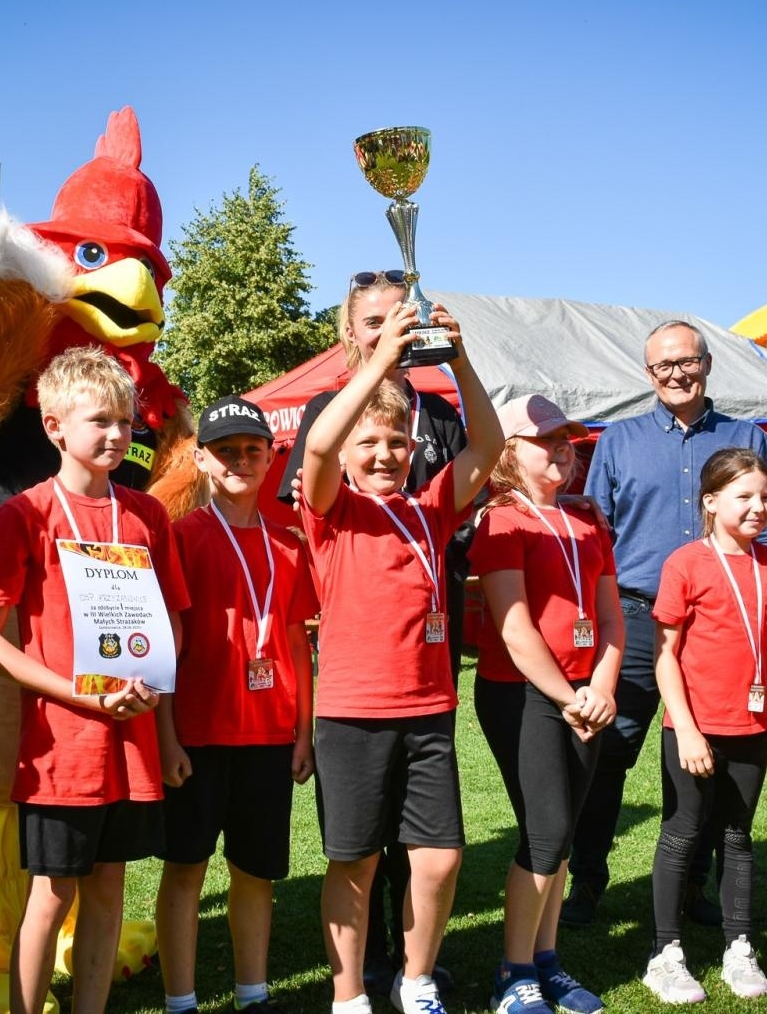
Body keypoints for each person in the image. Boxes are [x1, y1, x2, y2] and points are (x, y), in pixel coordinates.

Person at [0, 346, 188, 1014]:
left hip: (134, 742)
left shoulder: (146, 516)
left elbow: (167, 630)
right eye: (99, 421)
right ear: (55, 426)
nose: (117, 434)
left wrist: (167, 735)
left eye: (124, 420)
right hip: (61, 748)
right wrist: (81, 693)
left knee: (109, 887)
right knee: (52, 891)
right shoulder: (23, 515)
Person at [299, 296, 501, 1014]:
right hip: (352, 712)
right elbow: (317, 447)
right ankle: (349, 992)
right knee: (354, 861)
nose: (383, 455)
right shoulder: (329, 512)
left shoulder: (431, 508)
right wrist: (382, 360)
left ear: (413, 451)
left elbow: (489, 448)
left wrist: (459, 358)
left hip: (427, 711)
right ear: (349, 456)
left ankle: (416, 979)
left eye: (395, 444)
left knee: (440, 857)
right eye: (369, 444)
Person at [566, 318, 767, 927]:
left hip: (726, 624)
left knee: (708, 755)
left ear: (707, 363)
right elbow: (596, 534)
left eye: (686, 361)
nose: (675, 373)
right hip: (641, 619)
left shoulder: (746, 437)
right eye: (662, 365)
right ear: (648, 374)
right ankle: (587, 882)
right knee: (609, 751)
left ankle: (694, 886)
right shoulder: (619, 439)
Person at [155, 395, 319, 1014]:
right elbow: (165, 650)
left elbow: (299, 644)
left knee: (256, 874)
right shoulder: (181, 537)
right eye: (226, 452)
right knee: (186, 870)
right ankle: (181, 1000)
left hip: (271, 737)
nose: (240, 462)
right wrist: (166, 737)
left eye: (252, 450)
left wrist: (303, 733)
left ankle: (253, 993)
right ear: (202, 460)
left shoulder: (291, 543)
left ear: (270, 456)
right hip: (197, 735)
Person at [471, 395, 623, 1014]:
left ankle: (546, 960)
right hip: (524, 694)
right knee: (545, 830)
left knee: (559, 838)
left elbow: (611, 618)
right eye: (546, 440)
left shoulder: (588, 522)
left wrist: (603, 688)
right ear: (510, 452)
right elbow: (514, 627)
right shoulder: (500, 520)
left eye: (568, 441)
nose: (563, 450)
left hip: (585, 695)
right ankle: (514, 971)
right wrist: (570, 697)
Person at [639, 448, 767, 1004]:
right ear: (710, 503)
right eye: (744, 496)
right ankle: (666, 954)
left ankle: (739, 947)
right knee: (683, 833)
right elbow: (666, 656)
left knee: (737, 837)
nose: (759, 506)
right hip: (692, 728)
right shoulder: (685, 563)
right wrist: (685, 729)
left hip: (752, 727)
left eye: (765, 496)